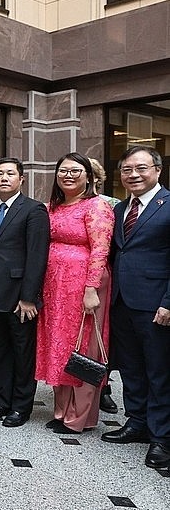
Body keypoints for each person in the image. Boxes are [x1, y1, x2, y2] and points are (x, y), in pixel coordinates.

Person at [36, 152, 114, 435]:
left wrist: (92, 288)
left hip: (84, 285)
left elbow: (101, 249)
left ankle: (79, 417)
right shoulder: (53, 207)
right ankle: (61, 411)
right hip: (55, 286)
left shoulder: (97, 207)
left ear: (89, 177)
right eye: (63, 171)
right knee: (59, 344)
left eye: (75, 171)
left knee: (83, 346)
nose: (68, 175)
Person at [103, 146, 170, 470]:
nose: (133, 175)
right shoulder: (120, 210)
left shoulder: (168, 206)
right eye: (127, 170)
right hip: (122, 302)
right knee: (131, 368)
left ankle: (162, 438)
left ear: (157, 170)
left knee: (160, 372)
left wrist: (168, 302)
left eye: (141, 168)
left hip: (156, 305)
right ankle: (137, 422)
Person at [0, 157, 49, 428]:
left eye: (10, 174)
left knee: (22, 353)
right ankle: (1, 401)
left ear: (21, 179)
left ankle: (21, 407)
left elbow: (37, 255)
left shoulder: (33, 210)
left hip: (20, 297)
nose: (4, 178)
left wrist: (29, 296)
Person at [88, 157, 119, 415]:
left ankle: (103, 388)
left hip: (101, 277)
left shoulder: (112, 205)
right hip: (69, 280)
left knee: (99, 336)